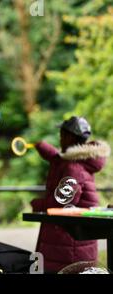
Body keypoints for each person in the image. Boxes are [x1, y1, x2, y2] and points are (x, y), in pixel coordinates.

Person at [30, 116, 110, 273]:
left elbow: (62, 201)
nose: (59, 139)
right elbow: (57, 157)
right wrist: (40, 146)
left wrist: (37, 204)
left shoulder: (74, 168)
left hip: (69, 246)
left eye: (62, 135)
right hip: (72, 243)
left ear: (70, 137)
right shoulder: (78, 161)